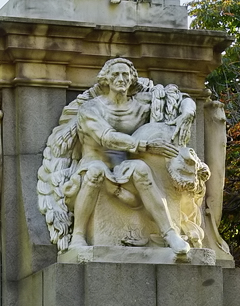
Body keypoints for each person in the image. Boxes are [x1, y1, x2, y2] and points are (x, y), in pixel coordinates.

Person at [64, 59, 193, 256]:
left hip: (124, 166)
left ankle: (169, 233)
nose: (121, 79)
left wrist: (188, 112)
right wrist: (146, 145)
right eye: (115, 74)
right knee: (95, 172)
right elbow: (106, 137)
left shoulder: (140, 104)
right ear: (106, 79)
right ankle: (78, 236)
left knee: (141, 168)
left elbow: (178, 98)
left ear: (132, 78)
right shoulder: (90, 109)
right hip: (95, 163)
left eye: (125, 74)